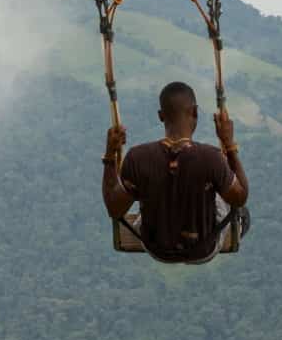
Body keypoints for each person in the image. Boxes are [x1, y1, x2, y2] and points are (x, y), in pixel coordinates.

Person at [103, 81, 249, 261]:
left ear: (160, 116)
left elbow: (114, 209)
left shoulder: (137, 158)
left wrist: (110, 154)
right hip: (202, 250)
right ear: (195, 112)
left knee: (147, 188)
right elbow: (240, 197)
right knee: (239, 210)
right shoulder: (212, 158)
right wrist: (229, 144)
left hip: (157, 250)